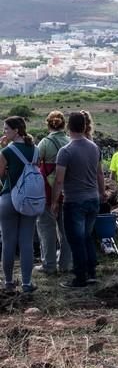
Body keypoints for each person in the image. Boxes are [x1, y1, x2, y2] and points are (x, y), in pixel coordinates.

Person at [52, 112, 106, 288]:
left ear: (68, 127)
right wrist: (102, 193)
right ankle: (91, 273)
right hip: (93, 199)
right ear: (84, 126)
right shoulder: (94, 148)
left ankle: (80, 278)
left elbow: (59, 180)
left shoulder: (66, 151)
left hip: (74, 201)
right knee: (86, 237)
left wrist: (53, 202)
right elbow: (100, 173)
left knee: (76, 240)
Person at [0, 116, 39, 293]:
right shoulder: (36, 149)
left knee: (8, 242)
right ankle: (27, 283)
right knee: (26, 242)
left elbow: (1, 176)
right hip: (30, 199)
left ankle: (8, 283)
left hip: (9, 198)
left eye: (6, 129)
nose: (4, 132)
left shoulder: (7, 151)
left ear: (16, 130)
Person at [35, 111, 72, 276]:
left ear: (48, 124)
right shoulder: (69, 141)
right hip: (67, 190)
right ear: (64, 124)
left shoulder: (44, 142)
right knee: (65, 230)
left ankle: (49, 265)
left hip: (47, 192)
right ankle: (65, 264)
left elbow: (35, 163)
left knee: (46, 228)